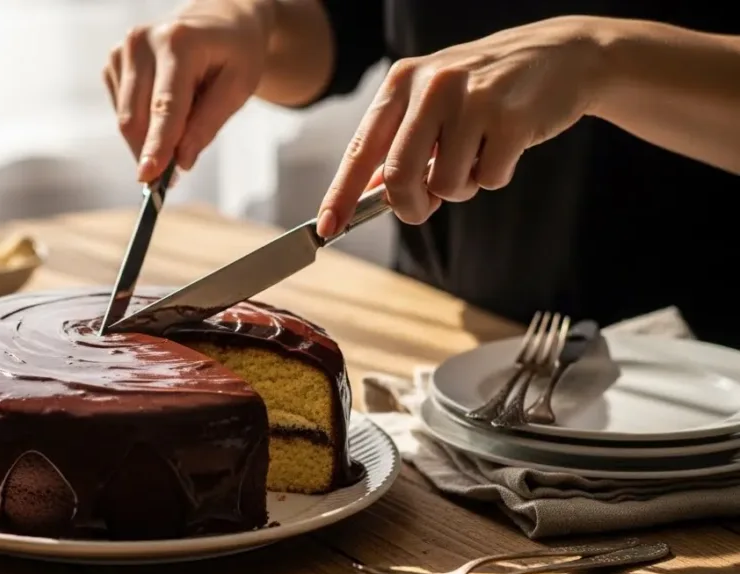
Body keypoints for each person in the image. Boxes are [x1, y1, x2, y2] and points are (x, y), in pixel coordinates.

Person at [102, 1, 740, 347]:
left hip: (712, 374)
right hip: (457, 361)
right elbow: (339, 30)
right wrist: (252, 19)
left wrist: (605, 58)